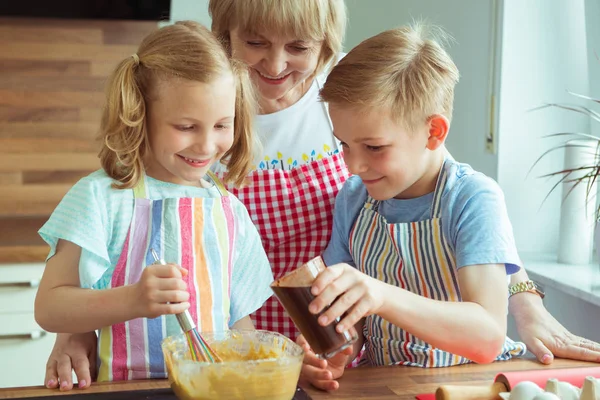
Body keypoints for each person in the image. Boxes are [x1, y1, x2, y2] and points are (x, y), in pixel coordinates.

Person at [43, 0, 600, 391]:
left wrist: (523, 298)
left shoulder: (352, 99)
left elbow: (456, 200)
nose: (276, 64)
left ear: (327, 48)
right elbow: (122, 228)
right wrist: (78, 326)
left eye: (299, 47)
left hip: (335, 359)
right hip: (255, 357)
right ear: (223, 35)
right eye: (254, 42)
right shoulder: (191, 113)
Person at [34, 21, 273, 384]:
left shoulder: (229, 210)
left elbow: (238, 323)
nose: (207, 146)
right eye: (187, 127)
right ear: (141, 116)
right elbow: (50, 308)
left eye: (222, 125)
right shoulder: (100, 199)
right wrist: (132, 300)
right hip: (123, 389)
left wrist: (260, 376)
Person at [298, 22, 525, 390]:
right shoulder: (354, 199)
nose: (352, 166)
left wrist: (382, 295)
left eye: (374, 147)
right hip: (390, 383)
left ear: (434, 132)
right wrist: (335, 346)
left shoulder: (472, 199)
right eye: (343, 145)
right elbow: (351, 318)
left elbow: (487, 336)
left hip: (474, 387)